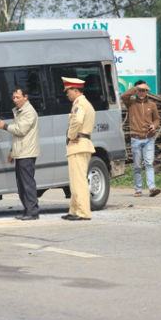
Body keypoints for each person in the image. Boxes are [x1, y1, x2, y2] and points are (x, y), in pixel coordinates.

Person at [0, 87, 40, 220]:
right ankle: (28, 209)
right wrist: (12, 151)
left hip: (27, 152)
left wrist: (5, 126)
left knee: (27, 183)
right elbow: (17, 137)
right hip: (21, 151)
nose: (15, 100)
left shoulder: (29, 112)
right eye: (13, 97)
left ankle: (33, 211)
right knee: (21, 184)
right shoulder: (20, 111)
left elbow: (20, 130)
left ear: (26, 97)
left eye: (18, 97)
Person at [61, 77, 95, 221]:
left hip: (78, 144)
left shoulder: (79, 104)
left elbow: (77, 120)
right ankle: (74, 210)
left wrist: (70, 134)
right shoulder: (85, 103)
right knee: (75, 180)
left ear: (75, 90)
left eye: (68, 91)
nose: (67, 94)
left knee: (79, 181)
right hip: (82, 144)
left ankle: (82, 212)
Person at [121, 79, 161, 197]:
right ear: (136, 91)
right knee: (137, 165)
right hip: (135, 138)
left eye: (144, 90)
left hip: (148, 138)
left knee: (149, 163)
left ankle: (152, 188)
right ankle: (138, 189)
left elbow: (157, 119)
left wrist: (154, 126)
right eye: (139, 90)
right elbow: (124, 96)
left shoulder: (152, 105)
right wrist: (136, 87)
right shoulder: (131, 103)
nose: (142, 93)